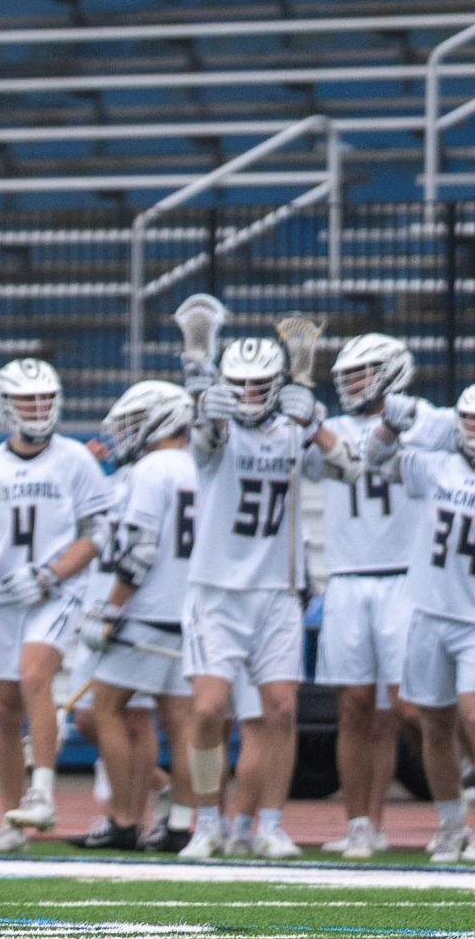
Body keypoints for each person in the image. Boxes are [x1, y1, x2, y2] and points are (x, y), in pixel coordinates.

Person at [177, 337, 354, 859]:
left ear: (277, 386)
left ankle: (269, 825)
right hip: (217, 591)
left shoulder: (293, 431)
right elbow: (206, 441)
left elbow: (350, 466)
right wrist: (207, 412)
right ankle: (206, 821)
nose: (249, 395)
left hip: (277, 589)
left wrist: (315, 422)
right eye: (239, 385)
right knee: (209, 709)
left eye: (259, 385)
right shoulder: (215, 429)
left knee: (280, 711)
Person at [0, 359, 115, 852]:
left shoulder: (74, 459)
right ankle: (13, 820)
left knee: (34, 678)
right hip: (1, 595)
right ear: (6, 405)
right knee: (5, 709)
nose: (38, 407)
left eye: (45, 398)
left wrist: (51, 574)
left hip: (55, 592)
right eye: (28, 399)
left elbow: (98, 534)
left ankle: (42, 794)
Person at [73, 381, 198, 852]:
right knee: (181, 722)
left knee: (104, 709)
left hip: (147, 613)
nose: (126, 434)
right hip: (189, 611)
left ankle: (125, 819)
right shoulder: (201, 466)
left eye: (133, 423)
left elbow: (141, 551)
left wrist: (112, 607)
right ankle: (182, 824)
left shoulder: (151, 469)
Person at [313, 334, 422, 859]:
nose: (353, 383)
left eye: (362, 372)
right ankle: (362, 825)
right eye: (349, 375)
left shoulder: (425, 421)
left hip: (406, 577)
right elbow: (319, 462)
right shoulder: (330, 428)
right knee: (356, 708)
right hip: (349, 576)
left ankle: (455, 811)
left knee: (412, 709)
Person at [365, 385, 475, 863]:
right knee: (433, 724)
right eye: (469, 420)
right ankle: (450, 822)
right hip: (430, 611)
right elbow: (375, 460)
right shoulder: (438, 466)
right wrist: (390, 425)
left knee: (472, 716)